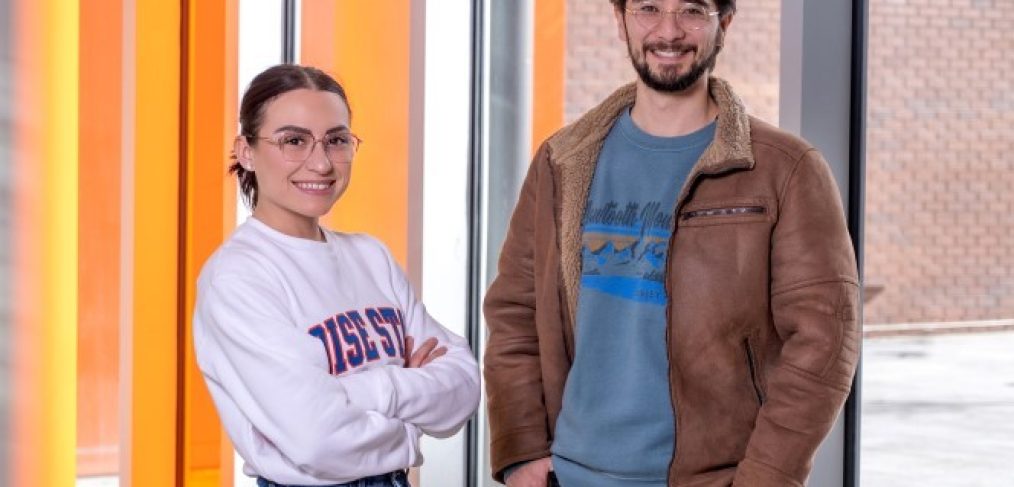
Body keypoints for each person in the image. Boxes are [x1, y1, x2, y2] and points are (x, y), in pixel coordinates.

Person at [483, 1, 860, 486]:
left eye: (692, 11)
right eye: (648, 9)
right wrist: (522, 449)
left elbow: (825, 343)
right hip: (567, 473)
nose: (668, 31)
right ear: (620, 20)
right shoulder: (563, 160)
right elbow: (515, 313)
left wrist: (765, 478)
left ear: (723, 23)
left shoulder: (784, 170)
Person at [193, 64, 480, 487]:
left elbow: (464, 387)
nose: (322, 162)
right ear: (247, 151)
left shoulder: (369, 256)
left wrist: (363, 391)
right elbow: (316, 439)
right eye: (294, 141)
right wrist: (410, 414)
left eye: (336, 140)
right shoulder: (238, 277)